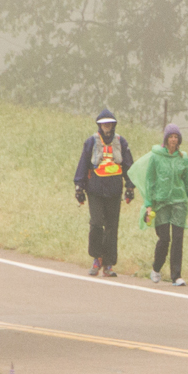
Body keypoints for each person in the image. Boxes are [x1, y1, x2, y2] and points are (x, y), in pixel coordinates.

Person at [130, 124, 188, 285]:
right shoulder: (156, 157)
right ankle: (156, 268)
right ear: (166, 139)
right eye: (171, 136)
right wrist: (148, 204)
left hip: (179, 203)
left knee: (177, 238)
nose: (173, 139)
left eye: (176, 137)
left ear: (179, 140)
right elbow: (150, 182)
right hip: (160, 203)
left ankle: (176, 276)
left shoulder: (183, 158)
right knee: (165, 239)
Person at [73, 109, 135, 276]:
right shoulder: (91, 142)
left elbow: (129, 166)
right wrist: (79, 187)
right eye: (104, 124)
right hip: (95, 189)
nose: (107, 126)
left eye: (109, 124)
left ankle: (108, 264)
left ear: (113, 125)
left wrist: (130, 187)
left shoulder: (121, 142)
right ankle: (96, 258)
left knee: (112, 227)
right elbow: (83, 164)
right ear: (100, 126)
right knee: (96, 223)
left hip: (114, 190)